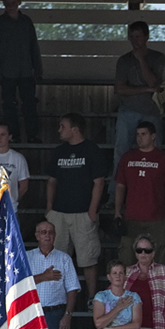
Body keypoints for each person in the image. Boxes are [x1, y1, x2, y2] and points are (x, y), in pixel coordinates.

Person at [47, 113, 107, 296]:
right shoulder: (58, 151)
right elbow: (51, 181)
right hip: (59, 213)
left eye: (63, 126)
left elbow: (99, 182)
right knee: (57, 258)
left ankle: (91, 298)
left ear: (75, 129)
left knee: (88, 259)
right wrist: (49, 209)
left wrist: (92, 210)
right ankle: (57, 297)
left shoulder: (92, 150)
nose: (59, 130)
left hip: (83, 213)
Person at [113, 122, 165, 267]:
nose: (139, 138)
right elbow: (120, 186)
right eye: (137, 134)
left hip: (157, 218)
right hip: (131, 218)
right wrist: (117, 211)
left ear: (153, 136)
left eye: (143, 134)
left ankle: (160, 289)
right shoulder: (127, 158)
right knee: (127, 258)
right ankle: (126, 289)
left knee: (161, 258)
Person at [27, 219, 80, 329]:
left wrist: (68, 315)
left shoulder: (64, 259)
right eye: (43, 232)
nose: (47, 235)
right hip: (32, 314)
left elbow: (72, 289)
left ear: (55, 236)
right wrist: (44, 277)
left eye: (50, 232)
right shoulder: (26, 257)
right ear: (37, 235)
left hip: (56, 314)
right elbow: (17, 284)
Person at [110, 21, 165, 166]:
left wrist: (141, 59)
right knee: (122, 150)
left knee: (154, 150)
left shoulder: (157, 57)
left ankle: (155, 187)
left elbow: (153, 82)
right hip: (128, 110)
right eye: (132, 37)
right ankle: (117, 188)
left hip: (151, 110)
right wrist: (145, 89)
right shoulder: (124, 60)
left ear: (146, 37)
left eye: (138, 37)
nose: (135, 41)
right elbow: (119, 89)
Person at [0, 0, 42, 143]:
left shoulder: (26, 21)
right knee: (9, 105)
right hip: (7, 72)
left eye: (13, 3)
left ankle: (32, 134)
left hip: (26, 71)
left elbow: (34, 46)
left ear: (19, 2)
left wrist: (37, 69)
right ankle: (14, 135)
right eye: (7, 3)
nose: (10, 6)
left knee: (30, 104)